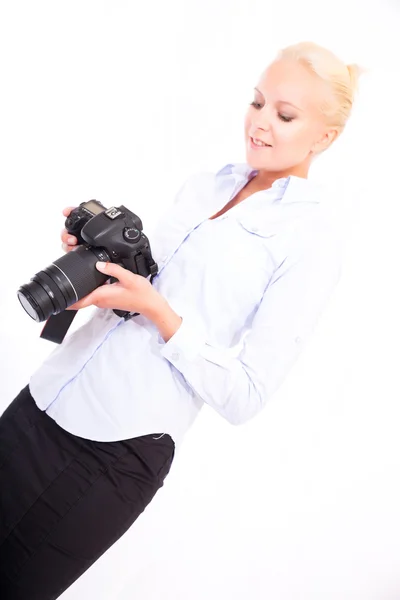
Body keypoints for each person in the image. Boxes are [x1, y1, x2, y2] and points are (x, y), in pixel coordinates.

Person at [0, 40, 362, 599]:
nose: (261, 123)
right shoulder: (207, 183)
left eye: (285, 115)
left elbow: (246, 395)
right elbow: (141, 287)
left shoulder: (310, 242)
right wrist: (97, 273)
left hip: (114, 452)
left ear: (325, 137)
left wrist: (159, 312)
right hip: (44, 401)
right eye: (258, 102)